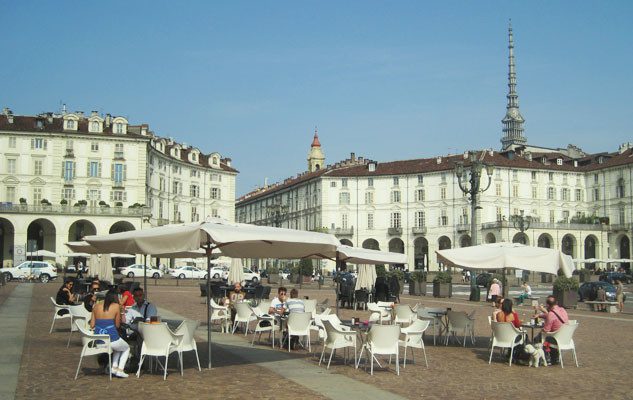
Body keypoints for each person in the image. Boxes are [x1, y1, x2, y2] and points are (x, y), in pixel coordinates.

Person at [91, 290, 130, 378]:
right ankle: (120, 370)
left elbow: (92, 325)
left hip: (99, 340)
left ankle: (114, 368)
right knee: (126, 348)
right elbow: (117, 325)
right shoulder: (116, 306)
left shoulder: (96, 306)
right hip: (111, 338)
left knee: (118, 348)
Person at [533, 296, 569, 364]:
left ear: (548, 305)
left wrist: (541, 331)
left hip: (556, 338)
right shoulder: (562, 310)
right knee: (545, 337)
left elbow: (546, 330)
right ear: (556, 303)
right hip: (566, 337)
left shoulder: (551, 314)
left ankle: (546, 358)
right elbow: (553, 315)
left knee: (538, 338)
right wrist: (540, 315)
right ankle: (555, 357)